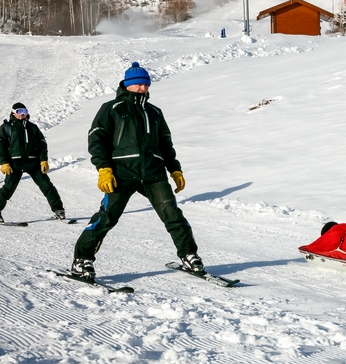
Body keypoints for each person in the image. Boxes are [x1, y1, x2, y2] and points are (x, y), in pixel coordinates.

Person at [70, 62, 204, 280]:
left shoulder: (155, 112)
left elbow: (165, 144)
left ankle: (190, 255)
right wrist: (104, 168)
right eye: (139, 84)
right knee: (107, 217)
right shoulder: (111, 108)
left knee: (172, 215)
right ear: (128, 84)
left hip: (153, 173)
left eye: (146, 84)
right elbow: (97, 140)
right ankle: (81, 260)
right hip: (122, 171)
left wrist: (175, 170)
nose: (143, 88)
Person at [0, 103, 66, 223]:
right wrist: (4, 162)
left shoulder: (33, 127)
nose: (22, 115)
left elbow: (42, 144)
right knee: (8, 188)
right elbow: (1, 146)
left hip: (33, 162)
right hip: (15, 162)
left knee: (47, 186)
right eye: (19, 112)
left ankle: (59, 210)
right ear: (13, 112)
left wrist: (43, 160)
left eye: (24, 112)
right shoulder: (6, 127)